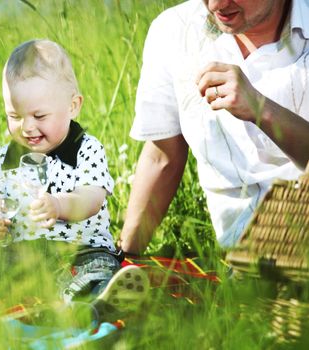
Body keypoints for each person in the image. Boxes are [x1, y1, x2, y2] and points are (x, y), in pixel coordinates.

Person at [119, 0, 309, 255]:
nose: (215, 4)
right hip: (237, 261)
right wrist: (124, 256)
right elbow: (163, 157)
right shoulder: (174, 30)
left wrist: (261, 109)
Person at [0, 39, 148, 307]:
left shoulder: (86, 149)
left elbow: (92, 198)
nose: (27, 127)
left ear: (72, 106)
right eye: (15, 116)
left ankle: (99, 300)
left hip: (80, 252)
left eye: (39, 116)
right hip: (23, 254)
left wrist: (59, 205)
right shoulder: (5, 158)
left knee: (97, 268)